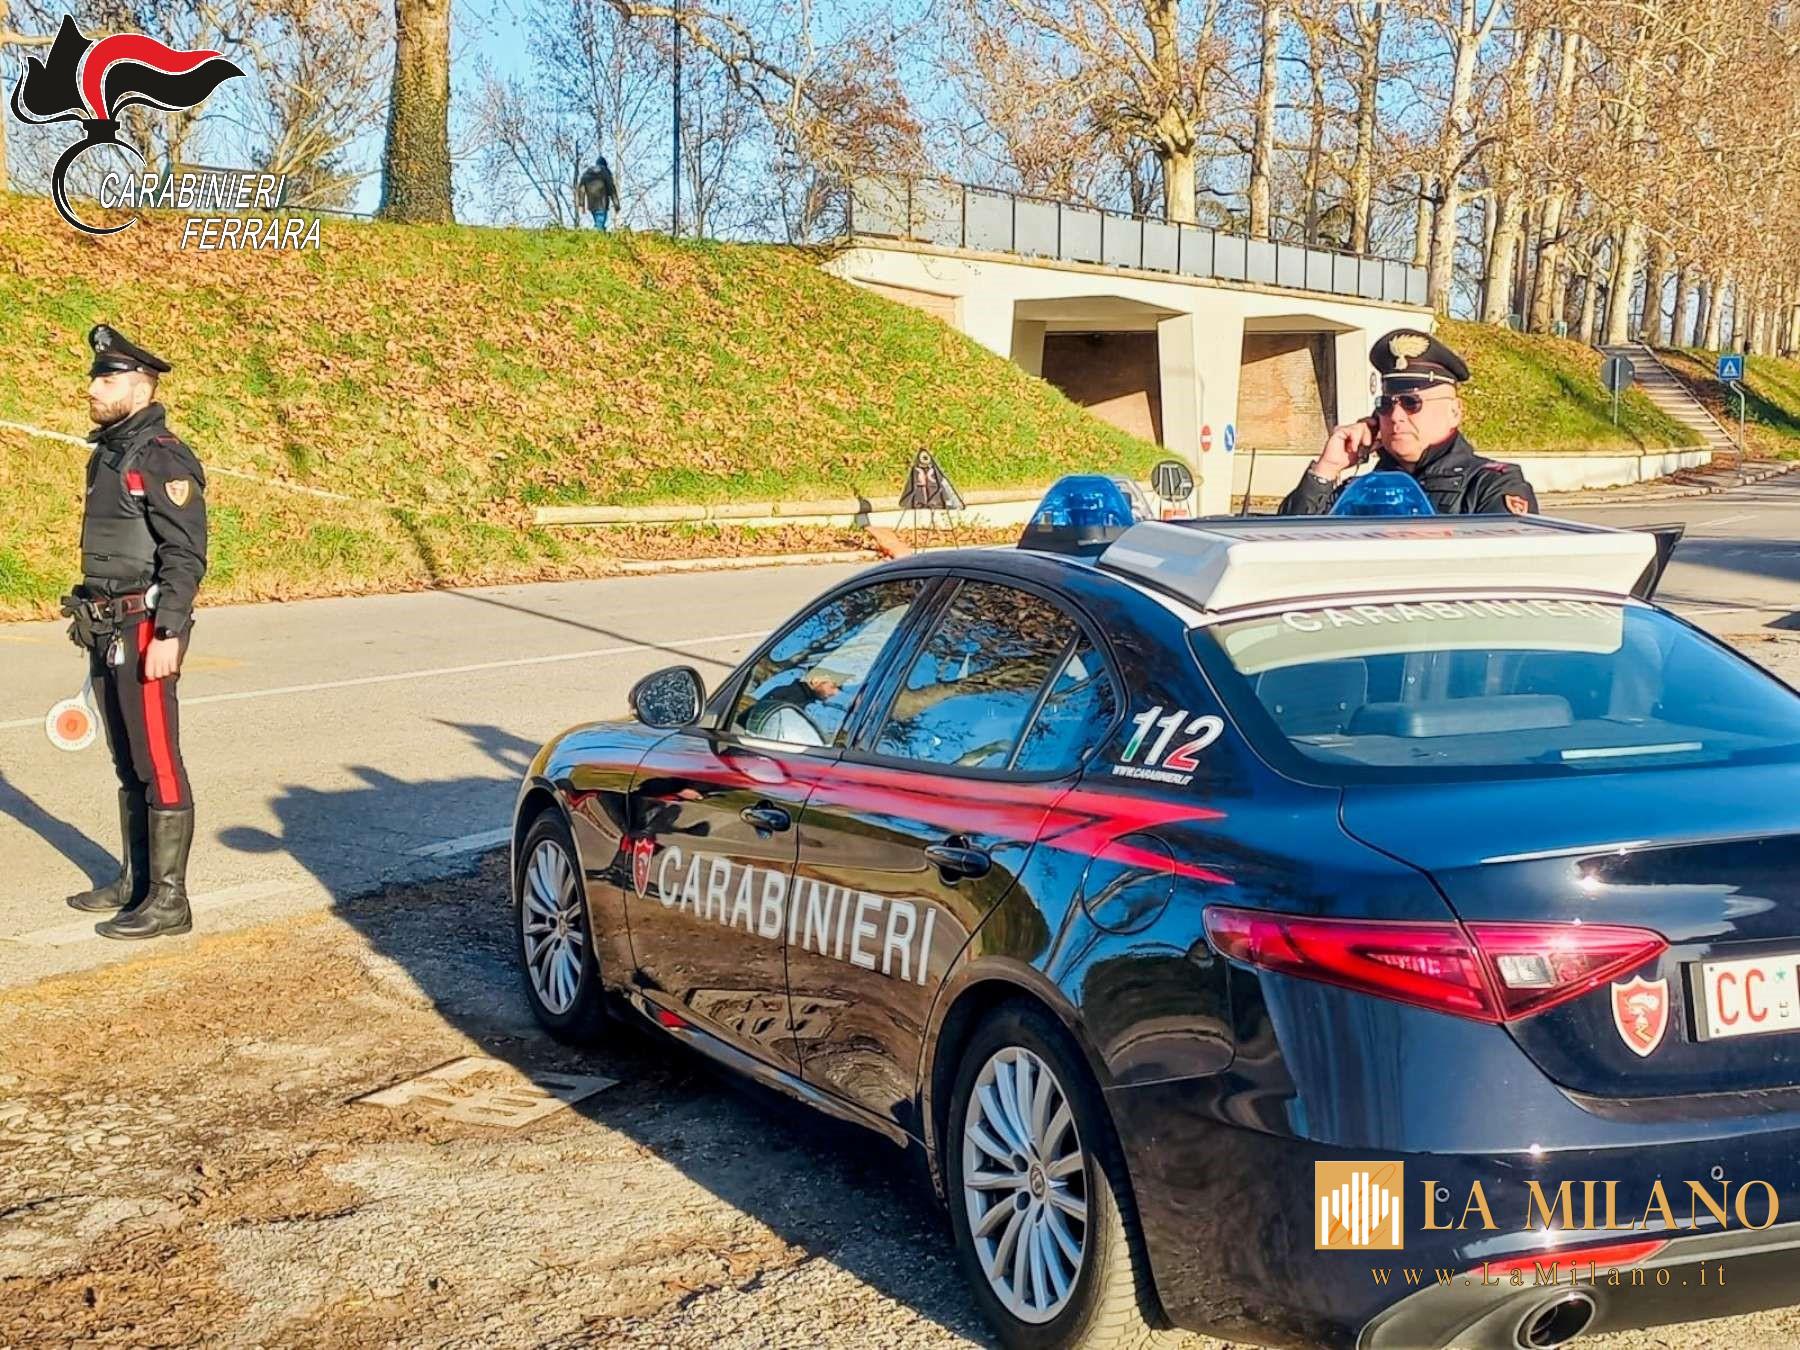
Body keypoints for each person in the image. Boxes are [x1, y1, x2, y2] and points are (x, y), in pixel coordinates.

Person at [59, 324, 207, 940]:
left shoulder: (162, 456)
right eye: (96, 375)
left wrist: (169, 631)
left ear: (141, 386)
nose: (93, 386)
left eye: (107, 377)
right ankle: (136, 881)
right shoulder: (111, 452)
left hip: (148, 627)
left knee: (158, 762)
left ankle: (170, 901)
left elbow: (185, 555)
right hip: (108, 624)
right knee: (127, 761)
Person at [1279, 328, 1539, 516]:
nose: (1396, 416)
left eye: (1411, 403)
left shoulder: (1490, 485)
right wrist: (1326, 471)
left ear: (1455, 412)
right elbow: (1284, 553)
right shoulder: (1359, 491)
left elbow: (1503, 571)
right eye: (1386, 404)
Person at [575, 156, 621, 231]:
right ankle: (595, 237)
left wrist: (581, 204)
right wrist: (616, 205)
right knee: (599, 224)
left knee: (599, 223)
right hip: (602, 203)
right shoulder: (605, 172)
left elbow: (581, 188)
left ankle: (600, 237)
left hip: (591, 204)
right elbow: (612, 189)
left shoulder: (587, 172)